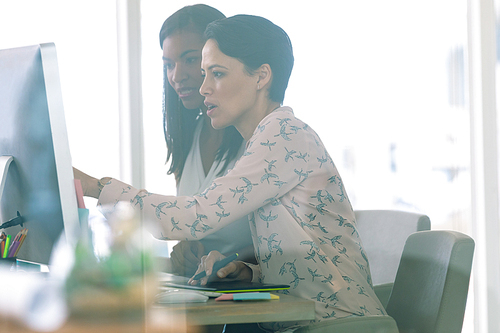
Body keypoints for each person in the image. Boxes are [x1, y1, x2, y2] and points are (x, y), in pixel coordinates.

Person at [76, 14, 386, 332]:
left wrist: (95, 186)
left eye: (218, 74)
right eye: (204, 74)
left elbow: (198, 214)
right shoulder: (265, 138)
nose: (204, 86)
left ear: (261, 77)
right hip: (303, 322)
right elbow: (303, 257)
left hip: (341, 323)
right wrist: (248, 272)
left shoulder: (283, 133)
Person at [158, 4, 253, 276]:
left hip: (254, 299)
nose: (177, 76)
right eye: (168, 65)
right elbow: (191, 221)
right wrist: (185, 249)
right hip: (206, 297)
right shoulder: (190, 135)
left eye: (190, 59)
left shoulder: (261, 137)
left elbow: (284, 246)